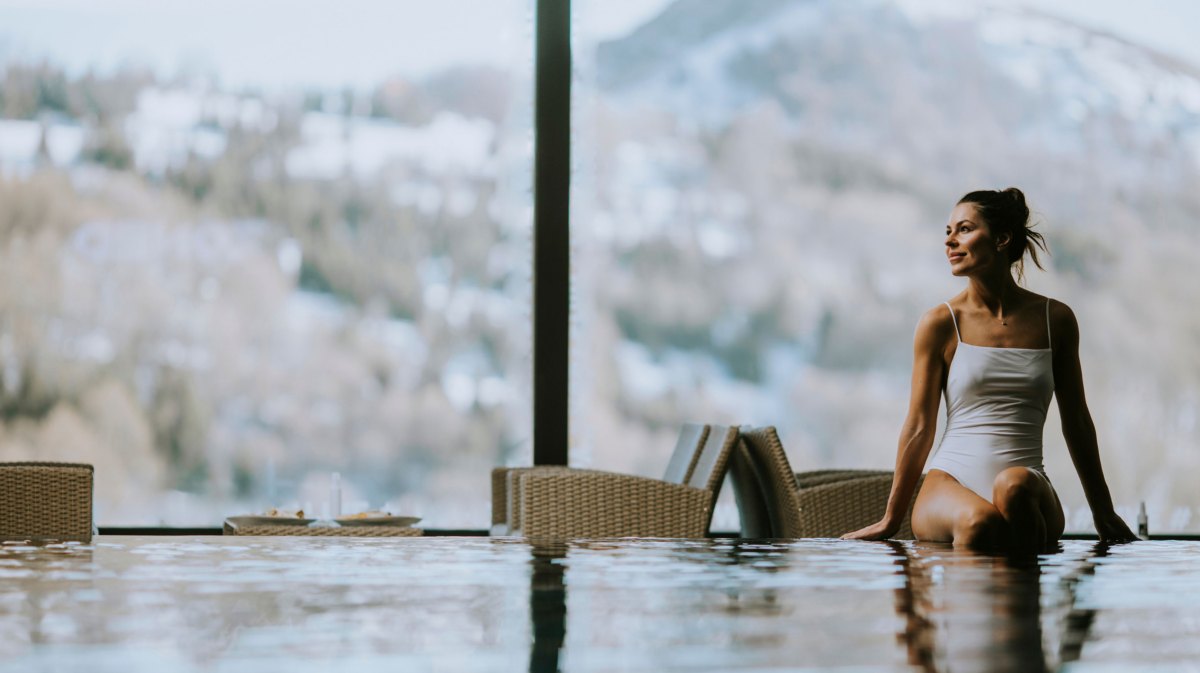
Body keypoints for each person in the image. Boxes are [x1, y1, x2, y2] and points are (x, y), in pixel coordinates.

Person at [843, 188, 1136, 552]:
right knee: (980, 522)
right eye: (948, 231)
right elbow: (920, 426)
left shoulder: (1055, 320)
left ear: (1001, 239)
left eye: (964, 229)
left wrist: (1103, 511)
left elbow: (1076, 421)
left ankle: (1019, 607)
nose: (950, 240)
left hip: (1028, 483)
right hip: (949, 484)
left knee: (1012, 487)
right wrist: (890, 519)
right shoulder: (940, 323)